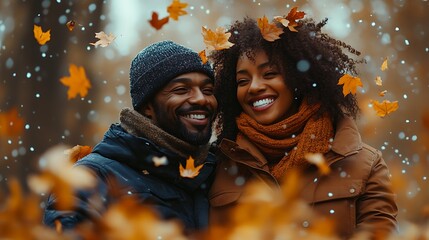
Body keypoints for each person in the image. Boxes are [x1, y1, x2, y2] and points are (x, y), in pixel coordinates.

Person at [207, 16, 398, 239]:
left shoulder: (365, 164)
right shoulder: (217, 166)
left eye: (270, 74)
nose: (255, 87)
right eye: (242, 81)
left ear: (299, 80)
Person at [43, 40, 218, 232]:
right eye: (181, 90)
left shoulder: (216, 173)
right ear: (147, 107)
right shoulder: (91, 178)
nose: (201, 99)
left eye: (207, 90)